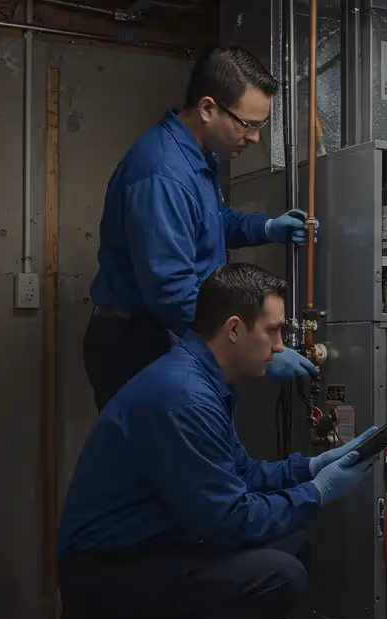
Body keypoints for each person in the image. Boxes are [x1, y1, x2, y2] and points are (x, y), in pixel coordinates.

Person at [40, 264, 376, 619]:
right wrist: (317, 493)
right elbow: (229, 520)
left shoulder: (199, 380)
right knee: (277, 575)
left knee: (292, 544)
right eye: (274, 331)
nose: (280, 347)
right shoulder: (184, 397)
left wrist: (312, 467)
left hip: (141, 553)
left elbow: (240, 473)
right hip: (105, 572)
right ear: (235, 329)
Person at [84, 46, 320, 411]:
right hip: (140, 343)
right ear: (208, 108)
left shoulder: (194, 156)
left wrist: (268, 227)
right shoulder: (162, 173)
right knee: (161, 463)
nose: (255, 137)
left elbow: (213, 221)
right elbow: (171, 290)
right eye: (248, 124)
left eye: (261, 125)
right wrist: (257, 350)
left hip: (166, 334)